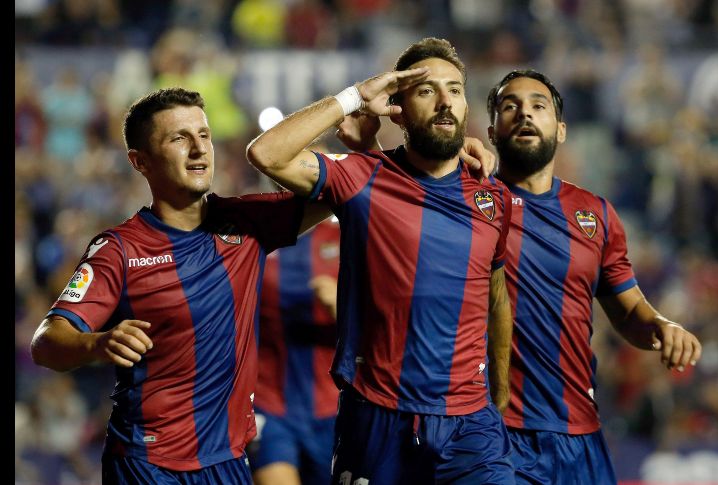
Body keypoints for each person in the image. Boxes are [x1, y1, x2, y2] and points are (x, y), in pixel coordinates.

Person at [247, 37, 516, 483]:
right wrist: (354, 96)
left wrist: (501, 396)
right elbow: (266, 154)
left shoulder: (493, 197)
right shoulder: (362, 177)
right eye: (427, 91)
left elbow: (498, 298)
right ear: (397, 108)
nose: (445, 101)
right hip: (378, 418)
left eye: (455, 89)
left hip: (471, 426)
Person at [29, 87, 330, 484]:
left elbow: (338, 188)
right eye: (179, 138)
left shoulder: (247, 222)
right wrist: (97, 344)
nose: (198, 149)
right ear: (141, 162)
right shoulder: (119, 249)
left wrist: (349, 101)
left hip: (228, 461)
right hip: (147, 463)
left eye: (204, 136)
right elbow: (47, 342)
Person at [485, 69, 703, 483]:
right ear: (493, 131)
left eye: (538, 106)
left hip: (580, 432)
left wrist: (663, 325)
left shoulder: (596, 214)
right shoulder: (470, 203)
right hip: (496, 433)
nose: (524, 114)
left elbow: (627, 310)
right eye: (509, 106)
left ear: (561, 130)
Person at [247, 216, 341, 485]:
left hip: (333, 409)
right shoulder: (252, 238)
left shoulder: (348, 234)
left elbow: (390, 326)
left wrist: (345, 308)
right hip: (268, 403)